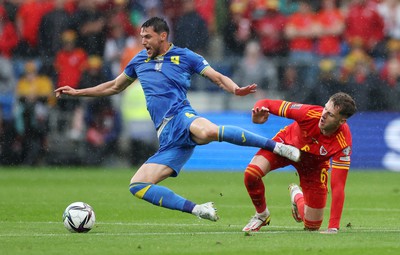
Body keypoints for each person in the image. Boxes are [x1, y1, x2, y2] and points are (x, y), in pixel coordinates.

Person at [54, 17, 300, 222]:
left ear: (162, 36)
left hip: (182, 115)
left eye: (147, 37)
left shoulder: (185, 56)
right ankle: (198, 209)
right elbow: (114, 86)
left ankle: (278, 147)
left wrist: (236, 90)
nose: (143, 42)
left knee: (208, 132)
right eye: (141, 37)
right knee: (137, 185)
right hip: (167, 135)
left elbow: (215, 76)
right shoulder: (139, 60)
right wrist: (78, 92)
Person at [242, 92, 357, 234]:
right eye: (325, 109)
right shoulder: (308, 113)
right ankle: (261, 215)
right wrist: (257, 112)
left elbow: (338, 186)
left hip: (314, 167)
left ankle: (297, 195)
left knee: (312, 226)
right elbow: (266, 103)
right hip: (285, 147)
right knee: (251, 174)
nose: (324, 115)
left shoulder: (343, 143)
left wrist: (333, 226)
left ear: (342, 121)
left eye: (331, 115)